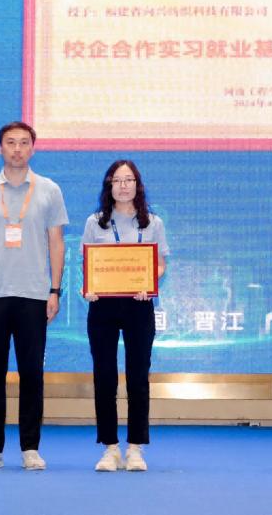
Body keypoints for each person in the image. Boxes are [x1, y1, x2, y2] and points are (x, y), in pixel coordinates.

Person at [0, 121, 67, 471]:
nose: (17, 149)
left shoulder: (49, 189)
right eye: (11, 143)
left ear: (33, 149)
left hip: (33, 295)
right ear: (0, 148)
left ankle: (30, 448)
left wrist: (54, 290)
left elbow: (56, 242)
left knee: (32, 375)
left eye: (24, 143)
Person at [81, 160, 169, 472]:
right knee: (104, 377)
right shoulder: (96, 222)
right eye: (117, 180)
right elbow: (88, 262)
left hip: (138, 305)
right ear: (109, 185)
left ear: (137, 185)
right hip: (103, 306)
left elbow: (160, 263)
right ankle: (110, 448)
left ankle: (135, 448)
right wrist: (88, 287)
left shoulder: (152, 223)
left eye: (129, 179)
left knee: (138, 377)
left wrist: (150, 282)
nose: (123, 186)